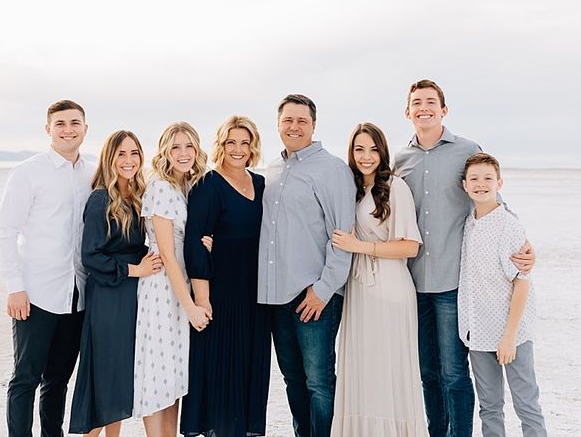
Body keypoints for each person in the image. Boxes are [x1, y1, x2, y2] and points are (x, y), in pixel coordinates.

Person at [394, 80, 536, 437]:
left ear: (444, 110)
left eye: (431, 102)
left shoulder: (466, 150)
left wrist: (523, 243)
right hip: (411, 281)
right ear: (407, 112)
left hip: (453, 282)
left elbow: (490, 198)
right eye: (416, 103)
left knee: (454, 373)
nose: (423, 108)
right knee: (426, 373)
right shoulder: (399, 160)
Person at [258, 94, 356, 437]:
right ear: (278, 124)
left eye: (302, 121)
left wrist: (324, 290)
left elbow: (343, 237)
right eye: (288, 120)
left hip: (313, 296)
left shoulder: (333, 170)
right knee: (292, 380)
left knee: (320, 383)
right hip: (275, 297)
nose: (294, 126)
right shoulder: (271, 169)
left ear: (314, 125)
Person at [0, 99, 92, 437]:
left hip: (77, 294)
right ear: (48, 128)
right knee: (25, 377)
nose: (68, 129)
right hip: (36, 293)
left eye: (75, 123)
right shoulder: (27, 172)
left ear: (85, 127)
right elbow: (6, 232)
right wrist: (14, 286)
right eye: (61, 123)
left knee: (59, 380)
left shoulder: (94, 172)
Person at [330, 123, 427, 437]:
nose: (366, 156)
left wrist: (362, 247)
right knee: (363, 370)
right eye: (359, 149)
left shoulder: (394, 186)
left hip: (390, 288)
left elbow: (410, 247)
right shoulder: (351, 187)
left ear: (382, 151)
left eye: (373, 149)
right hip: (358, 290)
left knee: (389, 370)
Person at [181, 116, 271, 437]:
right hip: (220, 291)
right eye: (230, 142)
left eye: (244, 143)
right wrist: (202, 301)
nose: (237, 149)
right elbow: (195, 243)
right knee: (222, 368)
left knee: (250, 366)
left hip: (256, 291)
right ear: (220, 145)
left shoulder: (260, 184)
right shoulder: (208, 185)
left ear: (252, 147)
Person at [69, 131, 163, 437]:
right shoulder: (100, 200)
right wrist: (135, 269)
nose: (129, 160)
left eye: (134, 153)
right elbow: (90, 256)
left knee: (121, 375)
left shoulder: (138, 196)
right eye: (121, 154)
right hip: (108, 297)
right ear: (110, 158)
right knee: (105, 374)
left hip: (132, 296)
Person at [459, 153, 548, 437]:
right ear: (464, 185)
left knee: (526, 404)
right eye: (474, 179)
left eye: (487, 178)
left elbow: (522, 282)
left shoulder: (508, 225)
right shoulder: (468, 222)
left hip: (512, 334)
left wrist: (509, 338)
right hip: (478, 332)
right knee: (489, 406)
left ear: (500, 183)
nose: (480, 184)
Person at [134, 123, 211, 437]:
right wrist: (190, 306)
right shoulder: (161, 187)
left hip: (182, 287)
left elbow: (190, 238)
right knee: (155, 377)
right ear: (165, 151)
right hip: (162, 290)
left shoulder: (188, 186)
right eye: (176, 147)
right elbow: (166, 253)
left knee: (173, 378)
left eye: (189, 146)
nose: (183, 153)